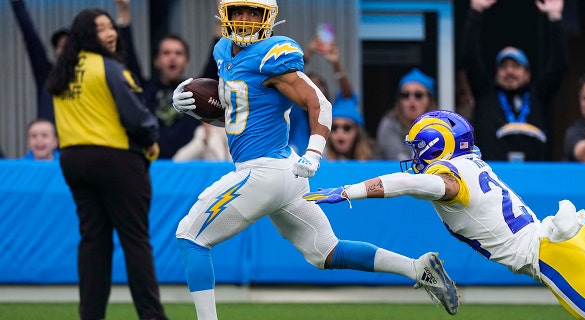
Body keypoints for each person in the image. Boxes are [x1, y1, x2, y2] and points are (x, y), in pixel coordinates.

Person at [170, 1, 459, 319]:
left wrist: (314, 151)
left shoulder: (272, 54)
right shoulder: (224, 51)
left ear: (269, 18)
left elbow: (319, 102)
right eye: (240, 10)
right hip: (284, 175)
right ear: (226, 13)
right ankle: (418, 268)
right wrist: (198, 111)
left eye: (255, 12)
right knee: (327, 252)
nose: (247, 19)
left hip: (264, 172)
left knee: (190, 237)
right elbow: (241, 119)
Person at [304, 109, 585, 320]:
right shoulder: (472, 162)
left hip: (556, 255)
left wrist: (350, 190)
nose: (413, 156)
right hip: (579, 236)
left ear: (433, 146)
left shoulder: (449, 180)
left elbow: (408, 182)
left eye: (416, 148)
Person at [44, 8, 167, 320]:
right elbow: (137, 116)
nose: (111, 34)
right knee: (135, 240)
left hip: (73, 161)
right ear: (87, 35)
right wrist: (151, 135)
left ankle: (90, 315)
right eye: (101, 29)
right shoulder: (109, 67)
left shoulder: (62, 69)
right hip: (116, 160)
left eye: (111, 27)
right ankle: (152, 316)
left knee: (93, 242)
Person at [461, 0, 568, 161]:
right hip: (491, 177)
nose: (509, 71)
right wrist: (475, 12)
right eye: (504, 67)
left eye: (516, 66)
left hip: (537, 177)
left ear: (527, 74)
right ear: (496, 73)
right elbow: (470, 58)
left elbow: (559, 65)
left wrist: (555, 18)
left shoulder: (539, 96)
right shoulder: (485, 94)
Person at [115, 0, 204, 159]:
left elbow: (215, 63)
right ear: (156, 60)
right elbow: (127, 55)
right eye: (166, 53)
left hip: (189, 167)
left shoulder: (197, 92)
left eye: (178, 53)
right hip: (152, 166)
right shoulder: (144, 89)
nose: (172, 58)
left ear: (187, 60)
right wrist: (124, 11)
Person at [10, 0, 68, 123]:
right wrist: (17, 3)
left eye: (68, 47)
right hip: (47, 141)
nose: (63, 51)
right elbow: (31, 38)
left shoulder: (91, 74)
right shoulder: (46, 73)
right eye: (59, 47)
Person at [377, 68, 437, 160]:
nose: (411, 100)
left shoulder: (439, 125)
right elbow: (397, 159)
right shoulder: (390, 123)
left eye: (418, 95)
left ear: (429, 99)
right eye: (405, 95)